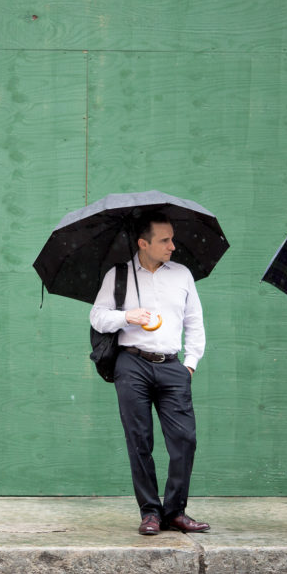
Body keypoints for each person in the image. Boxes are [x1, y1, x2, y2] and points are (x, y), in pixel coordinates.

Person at [90, 211, 209, 536]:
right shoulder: (119, 275)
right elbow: (97, 317)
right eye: (164, 240)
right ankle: (150, 513)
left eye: (173, 238)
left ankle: (175, 511)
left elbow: (194, 321)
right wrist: (127, 316)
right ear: (143, 243)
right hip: (132, 364)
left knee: (185, 439)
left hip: (173, 365)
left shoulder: (182, 274)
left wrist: (190, 363)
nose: (172, 245)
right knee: (139, 440)